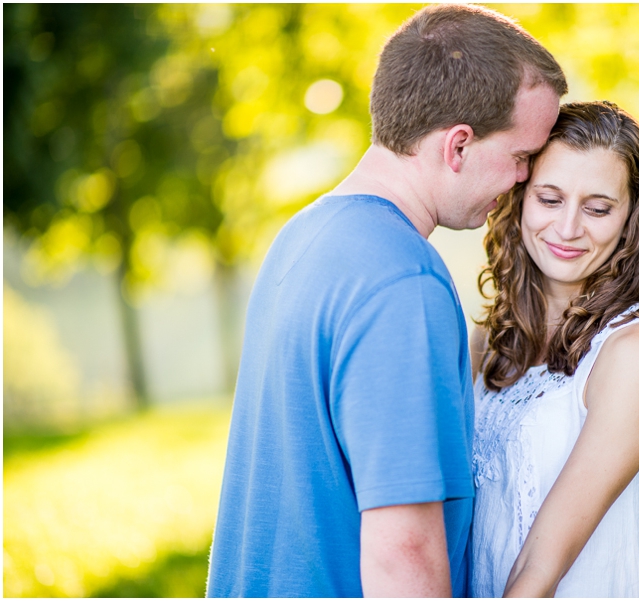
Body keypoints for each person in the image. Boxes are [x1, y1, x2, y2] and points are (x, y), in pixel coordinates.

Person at [205, 4, 567, 598]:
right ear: (458, 146)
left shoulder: (304, 236)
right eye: (522, 156)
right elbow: (405, 555)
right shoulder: (403, 283)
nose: (526, 180)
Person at [469, 101, 639, 597]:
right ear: (518, 197)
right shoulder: (490, 341)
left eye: (597, 208)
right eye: (549, 199)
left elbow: (540, 567)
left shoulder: (637, 352)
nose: (568, 229)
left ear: (632, 219)